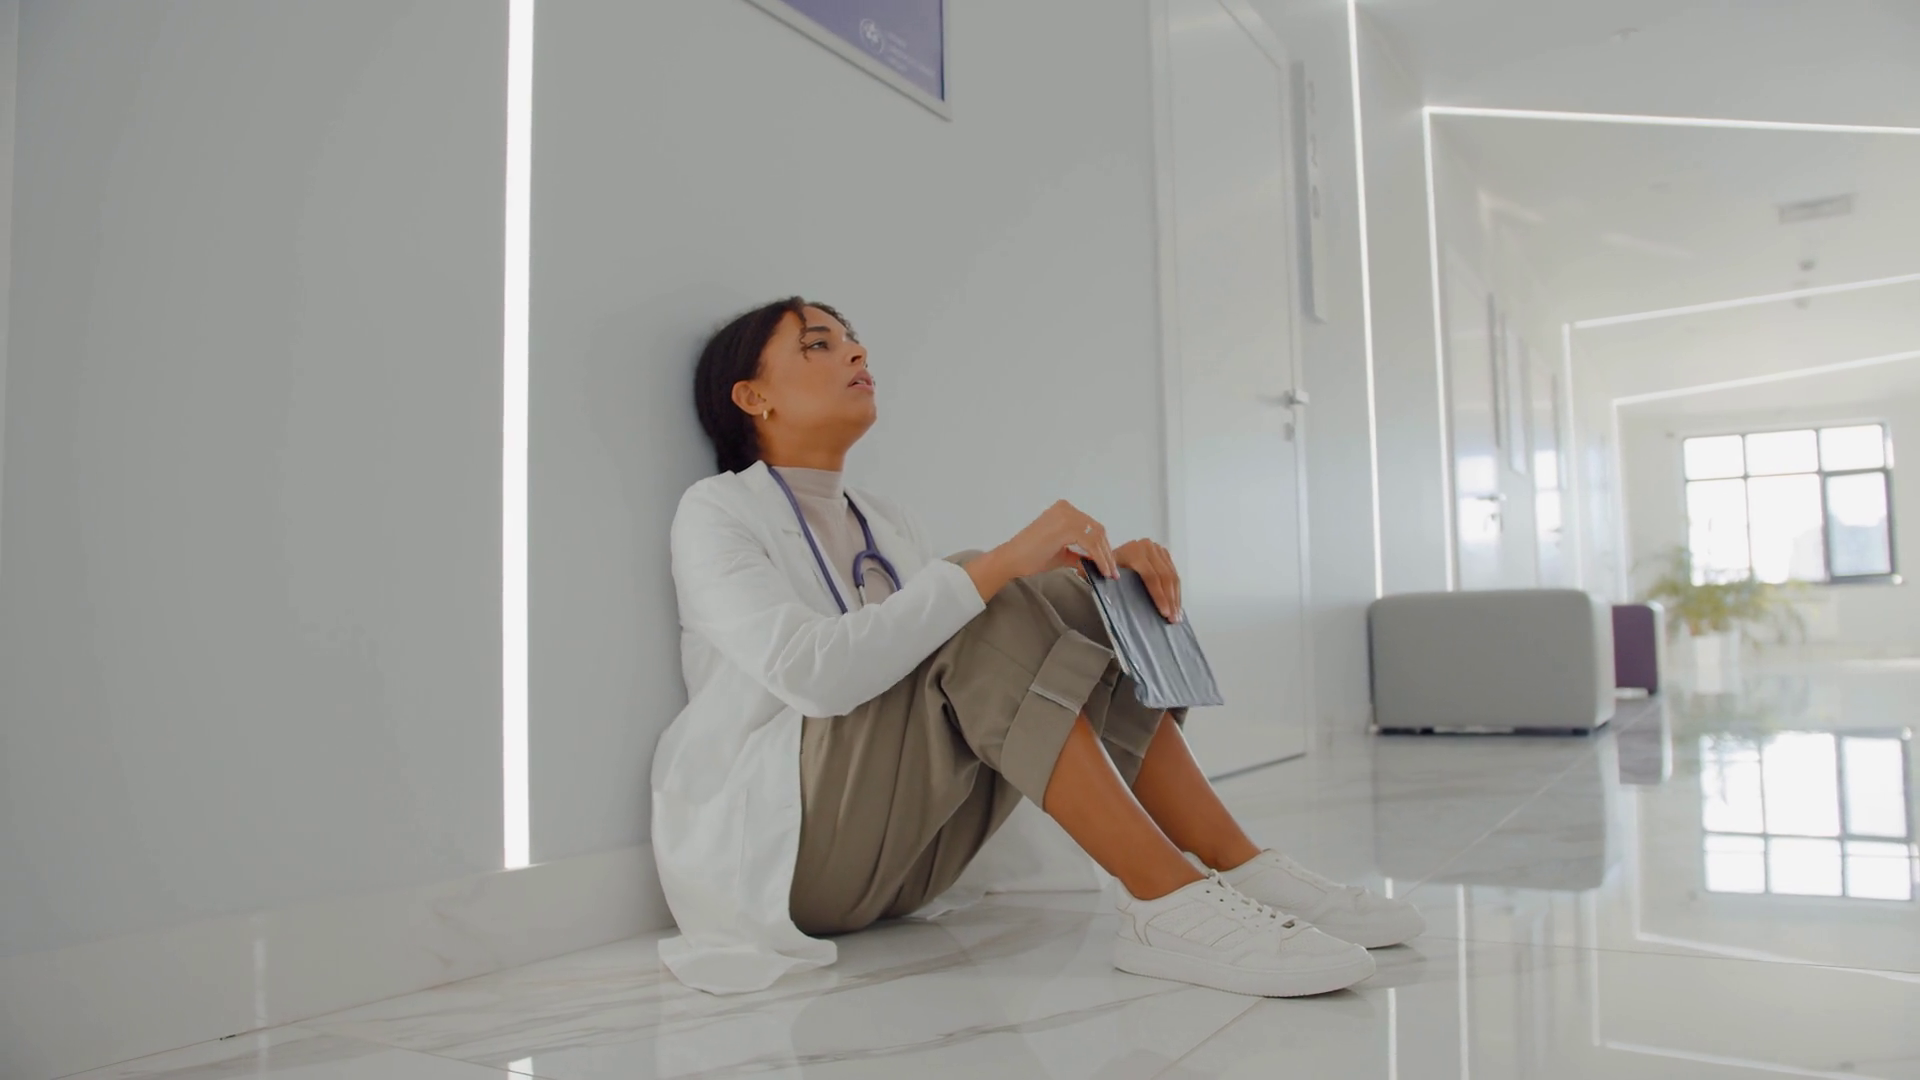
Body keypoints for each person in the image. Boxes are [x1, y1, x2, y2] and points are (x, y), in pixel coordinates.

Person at [651, 297, 1423, 999]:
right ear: (752, 398)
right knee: (981, 585)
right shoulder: (716, 511)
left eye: (853, 340)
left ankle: (1236, 864)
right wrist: (996, 567)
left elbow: (943, 659)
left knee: (1069, 598)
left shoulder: (884, 519)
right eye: (818, 345)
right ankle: (1164, 900)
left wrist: (1088, 581)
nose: (856, 353)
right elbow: (813, 676)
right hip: (790, 860)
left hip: (911, 859)